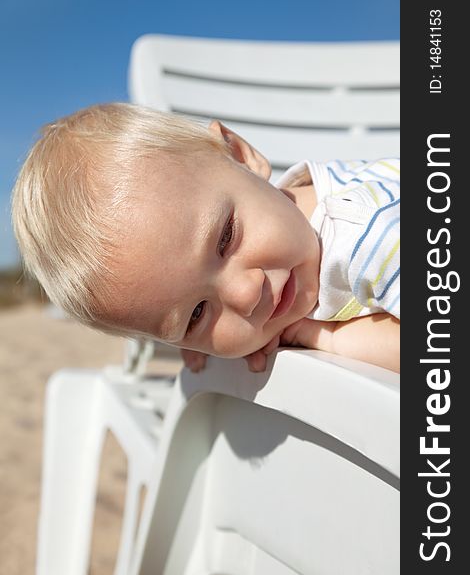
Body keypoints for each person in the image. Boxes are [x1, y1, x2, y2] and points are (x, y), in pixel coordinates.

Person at [11, 103, 400, 374]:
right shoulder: (277, 232)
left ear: (239, 154)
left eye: (226, 238)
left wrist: (328, 339)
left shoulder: (372, 234)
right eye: (197, 313)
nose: (245, 296)